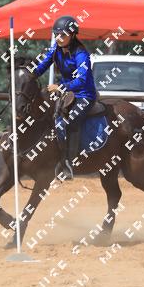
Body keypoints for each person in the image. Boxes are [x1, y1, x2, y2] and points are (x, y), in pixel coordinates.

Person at [33, 15, 97, 179]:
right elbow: (41, 67)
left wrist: (60, 87)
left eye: (62, 35)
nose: (58, 38)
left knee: (66, 123)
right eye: (56, 34)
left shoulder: (81, 54)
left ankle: (67, 164)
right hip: (65, 94)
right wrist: (28, 75)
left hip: (84, 95)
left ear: (73, 35)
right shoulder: (55, 48)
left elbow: (82, 80)